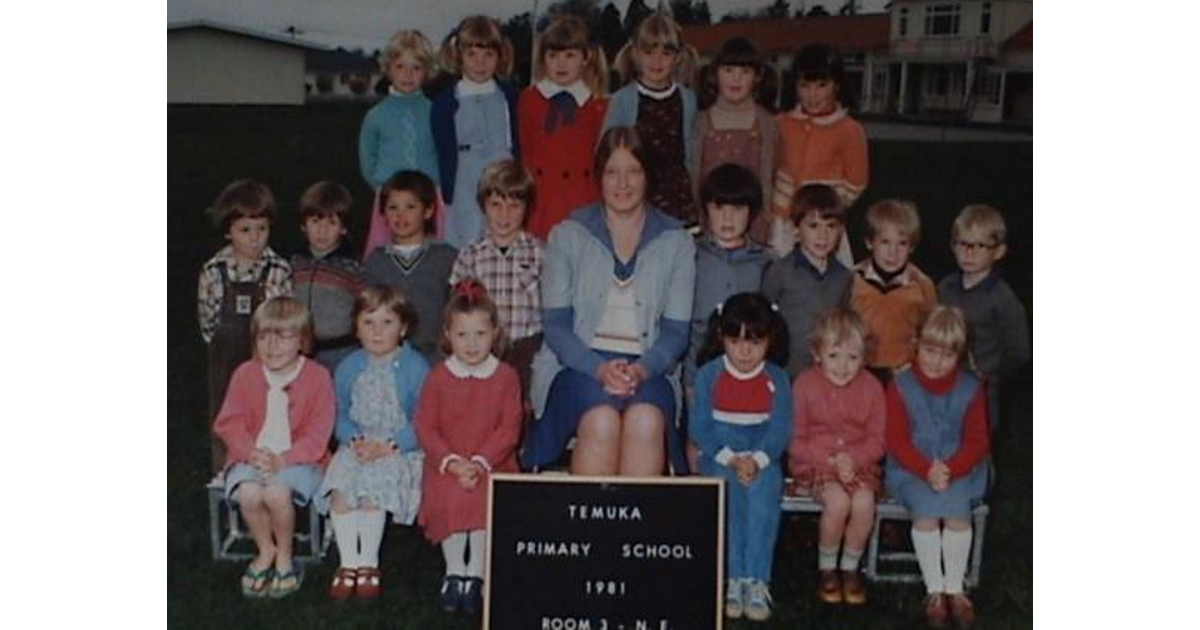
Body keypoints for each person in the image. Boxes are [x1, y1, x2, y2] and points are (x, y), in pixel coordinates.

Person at [525, 126, 696, 476]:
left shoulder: (677, 242)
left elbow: (676, 333)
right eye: (612, 172)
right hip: (577, 366)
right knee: (601, 420)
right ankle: (587, 532)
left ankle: (639, 532)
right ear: (599, 177)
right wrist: (599, 369)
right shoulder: (568, 235)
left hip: (650, 367)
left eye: (633, 171)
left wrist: (640, 369)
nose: (622, 184)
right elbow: (556, 328)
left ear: (648, 176)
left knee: (646, 420)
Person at [212, 297, 335, 599]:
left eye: (284, 337)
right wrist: (249, 452)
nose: (273, 346)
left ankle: (285, 556)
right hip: (251, 456)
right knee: (250, 493)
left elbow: (319, 434)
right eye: (264, 336)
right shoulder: (246, 374)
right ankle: (265, 550)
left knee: (277, 493)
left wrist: (283, 460)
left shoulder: (318, 377)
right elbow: (228, 422)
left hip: (300, 460)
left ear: (303, 341)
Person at [415, 280, 523, 615]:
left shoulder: (505, 377)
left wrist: (479, 462)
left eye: (480, 334)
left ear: (494, 333)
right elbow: (426, 427)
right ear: (448, 335)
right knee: (450, 496)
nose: (472, 344)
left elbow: (509, 428)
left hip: (492, 463)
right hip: (446, 463)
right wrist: (451, 462)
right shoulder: (438, 377)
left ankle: (475, 572)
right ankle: (454, 571)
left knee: (480, 498)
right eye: (462, 335)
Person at [316, 287, 430, 600]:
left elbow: (424, 419)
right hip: (358, 442)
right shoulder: (349, 366)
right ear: (356, 328)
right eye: (369, 323)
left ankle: (368, 561)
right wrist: (353, 439)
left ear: (403, 328)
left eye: (387, 323)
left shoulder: (416, 367)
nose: (377, 332)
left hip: (398, 448)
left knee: (372, 490)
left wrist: (392, 444)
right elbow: (338, 412)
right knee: (341, 485)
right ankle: (347, 563)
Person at [689, 293, 792, 622]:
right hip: (721, 454)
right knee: (728, 494)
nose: (745, 351)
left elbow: (780, 428)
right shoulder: (709, 375)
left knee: (764, 495)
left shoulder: (777, 378)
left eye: (755, 341)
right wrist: (733, 459)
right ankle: (733, 578)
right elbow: (701, 427)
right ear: (722, 338)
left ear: (770, 339)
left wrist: (759, 460)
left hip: (763, 455)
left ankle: (757, 579)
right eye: (735, 341)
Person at [885, 306, 990, 630]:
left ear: (959, 356)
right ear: (917, 345)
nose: (935, 361)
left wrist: (952, 469)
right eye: (929, 351)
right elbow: (897, 440)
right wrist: (926, 469)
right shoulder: (901, 385)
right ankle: (934, 589)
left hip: (960, 466)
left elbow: (977, 441)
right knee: (928, 514)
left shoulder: (972, 387)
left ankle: (955, 588)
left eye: (946, 355)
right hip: (912, 467)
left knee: (958, 514)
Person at [788, 309, 885, 606]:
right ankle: (827, 566)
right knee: (838, 501)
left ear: (864, 357)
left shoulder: (872, 387)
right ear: (816, 354)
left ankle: (850, 568)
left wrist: (853, 459)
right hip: (815, 465)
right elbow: (794, 440)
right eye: (834, 356)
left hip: (859, 465)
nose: (843, 367)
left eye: (852, 358)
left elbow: (878, 440)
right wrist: (831, 460)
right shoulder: (804, 385)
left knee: (864, 502)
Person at [199, 179, 293, 473]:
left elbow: (285, 317)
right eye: (245, 230)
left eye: (261, 229)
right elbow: (208, 321)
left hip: (269, 360)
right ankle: (226, 479)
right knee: (227, 419)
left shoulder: (278, 269)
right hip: (226, 361)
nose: (254, 238)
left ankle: (270, 478)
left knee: (269, 417)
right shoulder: (213, 271)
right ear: (228, 231)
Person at [448, 160, 545, 414]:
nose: (505, 215)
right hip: (481, 347)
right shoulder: (470, 254)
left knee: (522, 399)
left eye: (514, 206)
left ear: (527, 208)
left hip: (526, 347)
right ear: (484, 206)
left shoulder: (541, 253)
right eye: (496, 205)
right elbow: (456, 308)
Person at [936, 204, 1030, 435]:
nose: (969, 252)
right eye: (963, 244)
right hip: (940, 385)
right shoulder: (944, 288)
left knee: (976, 449)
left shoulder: (1003, 299)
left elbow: (1019, 351)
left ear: (998, 252)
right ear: (953, 246)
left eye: (979, 246)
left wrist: (990, 372)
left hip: (981, 393)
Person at [772, 44, 868, 262]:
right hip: (782, 224)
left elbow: (856, 183)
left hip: (825, 226)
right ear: (794, 86)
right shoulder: (779, 124)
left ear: (837, 86)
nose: (812, 95)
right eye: (805, 86)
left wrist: (821, 208)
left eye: (821, 85)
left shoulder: (850, 130)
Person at [432, 15, 521, 249]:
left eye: (488, 55)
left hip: (504, 175)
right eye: (472, 54)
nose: (480, 63)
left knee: (504, 236)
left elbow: (519, 140)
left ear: (500, 56)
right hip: (465, 181)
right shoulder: (446, 102)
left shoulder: (509, 97)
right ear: (458, 55)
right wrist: (448, 191)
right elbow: (442, 148)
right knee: (467, 240)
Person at [604, 12, 701, 227]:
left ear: (677, 58)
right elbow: (605, 154)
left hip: (679, 199)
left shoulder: (688, 99)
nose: (657, 61)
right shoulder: (623, 99)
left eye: (666, 53)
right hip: (636, 196)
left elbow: (692, 155)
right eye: (649, 52)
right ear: (636, 55)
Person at [518, 14, 609, 240]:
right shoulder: (529, 100)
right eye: (553, 55)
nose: (561, 63)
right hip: (541, 203)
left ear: (586, 57)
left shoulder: (599, 104)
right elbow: (525, 153)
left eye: (570, 55)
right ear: (543, 59)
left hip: (584, 200)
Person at [686, 164, 771, 394]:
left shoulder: (766, 262)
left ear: (751, 212)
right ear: (705, 209)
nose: (727, 217)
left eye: (737, 208)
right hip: (697, 375)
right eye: (718, 207)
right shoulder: (689, 255)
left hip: (750, 377)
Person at [358, 29, 441, 259]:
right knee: (385, 256)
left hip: (428, 199)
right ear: (389, 69)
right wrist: (383, 189)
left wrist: (436, 187)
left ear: (426, 72)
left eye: (416, 68)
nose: (408, 75)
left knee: (430, 258)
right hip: (390, 200)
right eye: (400, 67)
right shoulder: (376, 115)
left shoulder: (435, 112)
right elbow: (367, 160)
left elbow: (443, 153)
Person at [363, 170, 458, 364]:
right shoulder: (376, 261)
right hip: (388, 360)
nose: (400, 215)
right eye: (393, 207)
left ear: (429, 210)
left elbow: (456, 310)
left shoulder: (447, 257)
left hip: (437, 359)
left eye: (410, 207)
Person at [691, 36, 777, 246]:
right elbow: (695, 171)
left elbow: (769, 174)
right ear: (715, 74)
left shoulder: (765, 121)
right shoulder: (702, 120)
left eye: (745, 72)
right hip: (711, 221)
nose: (736, 79)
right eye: (728, 71)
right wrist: (699, 215)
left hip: (752, 225)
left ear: (757, 78)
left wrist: (766, 217)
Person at [762, 184, 853, 378]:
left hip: (827, 375)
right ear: (796, 228)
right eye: (813, 226)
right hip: (785, 373)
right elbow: (764, 321)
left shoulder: (844, 276)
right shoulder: (780, 271)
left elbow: (844, 326)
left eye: (831, 226)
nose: (823, 235)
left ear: (840, 231)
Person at [849, 199, 937, 383]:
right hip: (859, 373)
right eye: (885, 242)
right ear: (869, 242)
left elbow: (932, 334)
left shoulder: (922, 285)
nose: (893, 252)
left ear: (911, 246)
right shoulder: (852, 280)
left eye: (902, 244)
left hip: (904, 374)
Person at [290, 181, 365, 372]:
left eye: (331, 223)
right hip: (298, 351)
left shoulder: (352, 268)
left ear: (344, 228)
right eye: (315, 222)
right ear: (303, 225)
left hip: (341, 352)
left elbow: (365, 307)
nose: (322, 231)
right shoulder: (294, 264)